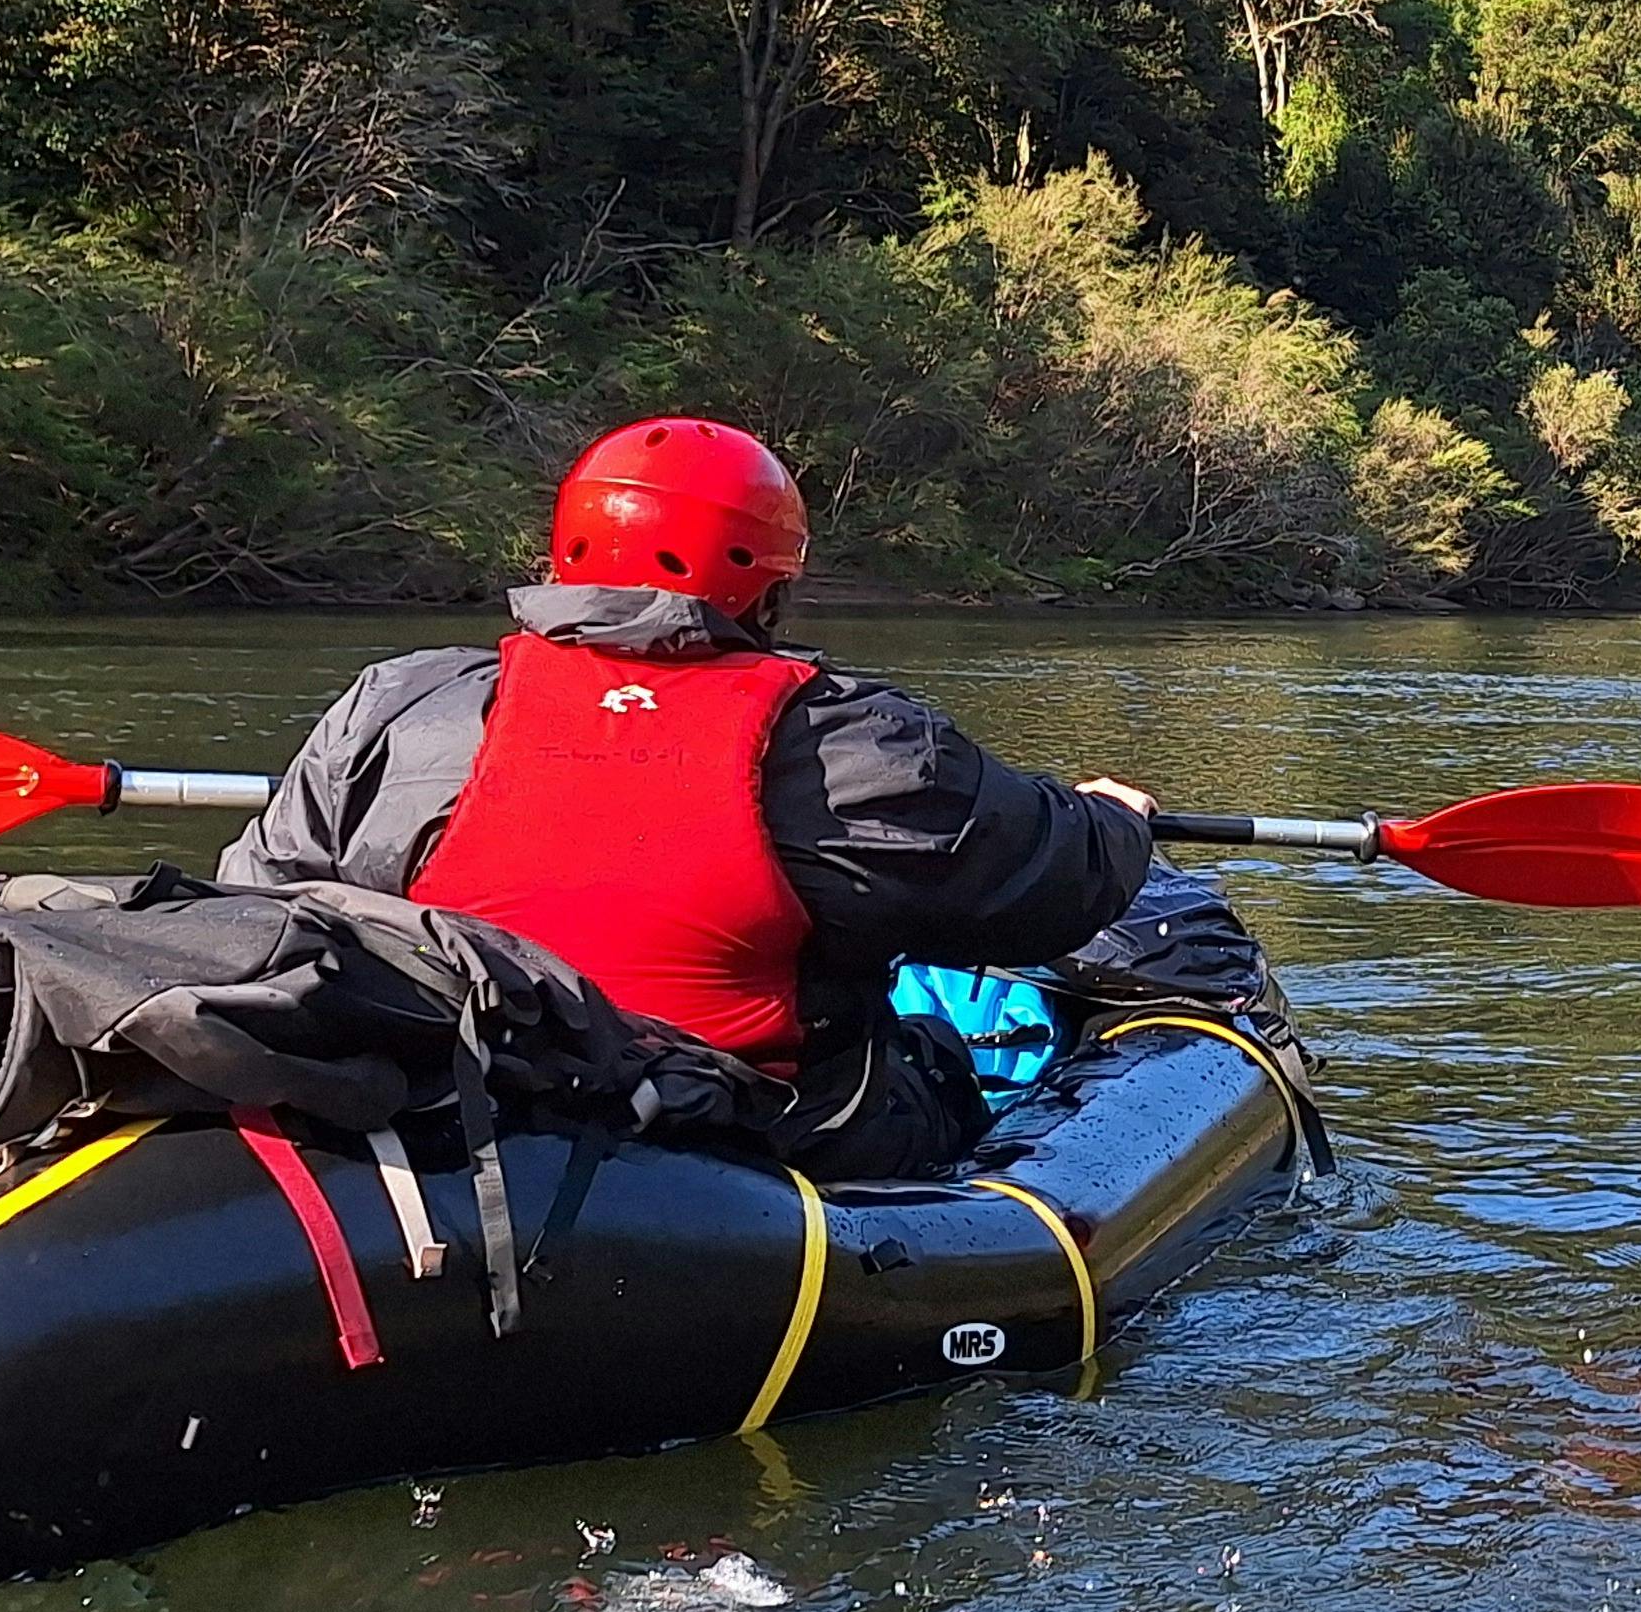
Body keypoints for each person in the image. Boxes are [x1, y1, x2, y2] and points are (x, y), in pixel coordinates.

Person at [220, 417, 1159, 1179]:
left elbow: (258, 911)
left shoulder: (402, 702)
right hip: (751, 1140)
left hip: (451, 1113)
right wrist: (1117, 821)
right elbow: (1051, 891)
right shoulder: (854, 744)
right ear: (769, 587)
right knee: (939, 1058)